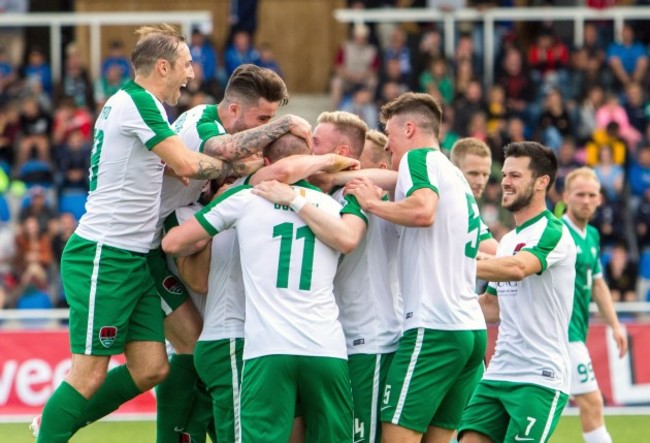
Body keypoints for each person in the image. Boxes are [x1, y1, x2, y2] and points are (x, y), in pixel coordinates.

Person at [32, 24, 239, 443]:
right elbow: (184, 165)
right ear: (162, 66)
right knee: (88, 375)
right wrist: (239, 170)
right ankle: (53, 424)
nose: (192, 74)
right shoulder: (138, 102)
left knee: (152, 368)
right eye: (185, 64)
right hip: (104, 255)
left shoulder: (135, 104)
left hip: (133, 255)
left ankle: (58, 419)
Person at [163, 133, 367, 442]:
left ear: (267, 163)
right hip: (326, 348)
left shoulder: (244, 200)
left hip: (268, 348)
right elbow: (349, 239)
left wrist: (215, 216)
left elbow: (172, 242)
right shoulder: (331, 207)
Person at [150, 63, 315, 443]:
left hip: (173, 231)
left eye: (272, 119)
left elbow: (238, 164)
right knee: (185, 348)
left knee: (191, 351)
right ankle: (66, 411)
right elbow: (227, 153)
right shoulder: (204, 124)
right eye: (262, 119)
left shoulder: (220, 140)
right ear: (235, 110)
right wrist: (285, 127)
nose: (264, 129)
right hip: (146, 244)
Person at [345, 92, 487, 443]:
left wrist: (369, 204)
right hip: (470, 330)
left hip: (433, 326)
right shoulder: (453, 174)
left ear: (409, 129)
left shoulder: (418, 158)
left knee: (396, 437)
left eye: (390, 135)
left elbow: (423, 211)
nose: (389, 146)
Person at [457, 141, 577, 443]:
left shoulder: (554, 231)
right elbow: (491, 306)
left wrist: (453, 264)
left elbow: (518, 269)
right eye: (505, 174)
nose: (505, 182)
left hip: (540, 377)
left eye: (515, 176)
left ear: (542, 182)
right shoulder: (508, 239)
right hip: (498, 372)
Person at [311, 111, 401, 443]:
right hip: (336, 342)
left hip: (370, 340)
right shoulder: (330, 198)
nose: (309, 149)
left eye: (316, 143)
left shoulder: (368, 197)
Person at [562, 167, 628, 443]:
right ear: (566, 196)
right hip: (562, 336)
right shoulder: (558, 233)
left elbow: (598, 283)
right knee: (592, 402)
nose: (586, 200)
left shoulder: (591, 236)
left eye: (592, 195)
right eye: (580, 195)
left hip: (575, 333)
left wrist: (615, 325)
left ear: (600, 199)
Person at [450, 137, 499, 255]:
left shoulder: (467, 206)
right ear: (453, 170)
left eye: (485, 174)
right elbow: (498, 255)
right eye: (473, 173)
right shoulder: (454, 205)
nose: (481, 181)